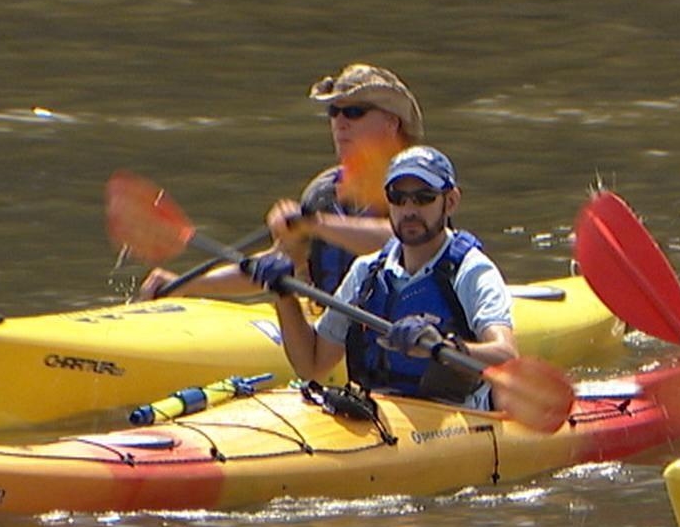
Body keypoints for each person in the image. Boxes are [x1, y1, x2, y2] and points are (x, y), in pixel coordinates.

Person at [244, 146, 517, 410]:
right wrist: (283, 295)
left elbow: (507, 356)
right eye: (398, 197)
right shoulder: (366, 272)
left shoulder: (472, 272)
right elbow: (313, 365)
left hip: (453, 418)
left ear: (451, 201)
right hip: (378, 416)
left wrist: (440, 347)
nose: (409, 209)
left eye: (424, 197)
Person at [137, 62, 425, 300]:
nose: (340, 122)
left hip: (406, 331)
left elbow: (408, 241)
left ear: (392, 122)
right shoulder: (323, 194)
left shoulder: (421, 185)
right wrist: (189, 284)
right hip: (333, 336)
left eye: (353, 112)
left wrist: (317, 224)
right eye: (333, 112)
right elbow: (280, 262)